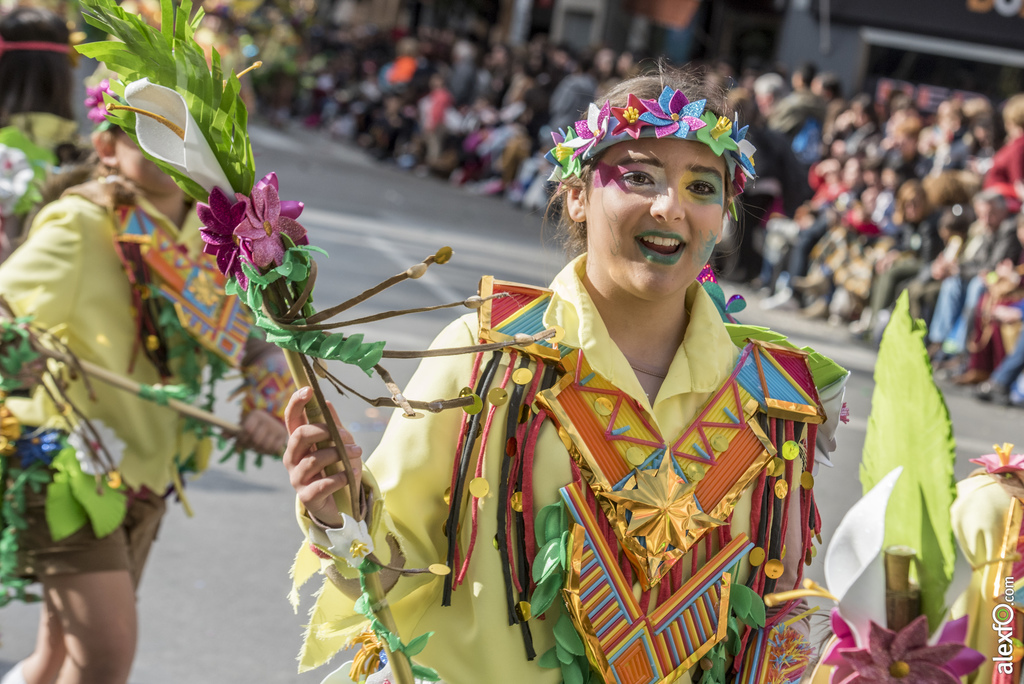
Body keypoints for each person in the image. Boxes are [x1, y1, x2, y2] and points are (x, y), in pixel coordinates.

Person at [284, 67, 847, 684]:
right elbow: (394, 572)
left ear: (724, 214)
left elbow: (776, 625)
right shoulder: (486, 355)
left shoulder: (772, 401)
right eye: (638, 177)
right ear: (577, 194)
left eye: (702, 186)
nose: (670, 207)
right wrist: (341, 512)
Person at [0, 103, 290, 684]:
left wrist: (265, 405)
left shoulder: (217, 236)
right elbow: (7, 315)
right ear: (106, 147)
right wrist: (16, 358)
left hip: (148, 476)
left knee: (56, 660)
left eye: (192, 133)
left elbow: (255, 341)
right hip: (70, 466)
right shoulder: (82, 223)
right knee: (106, 664)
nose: (177, 145)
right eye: (153, 133)